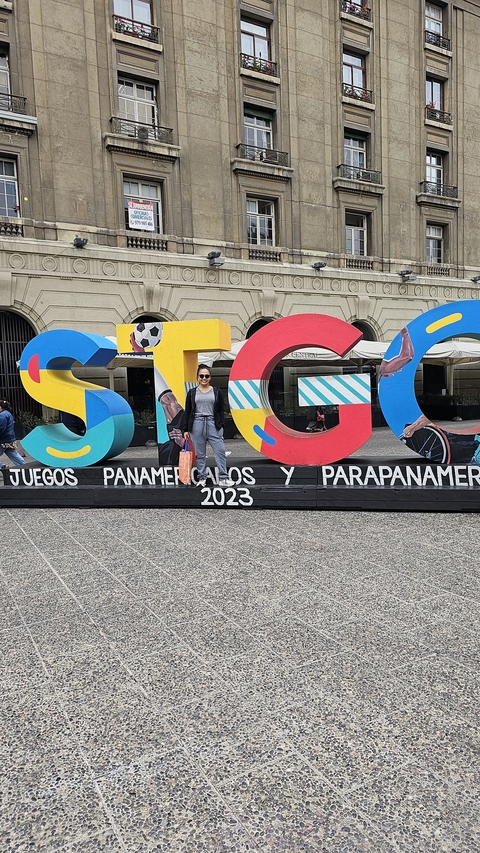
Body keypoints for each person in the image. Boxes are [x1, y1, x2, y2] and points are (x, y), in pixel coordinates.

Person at [182, 364, 234, 487]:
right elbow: (188, 411)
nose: (204, 378)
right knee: (200, 454)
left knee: (220, 451)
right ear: (197, 377)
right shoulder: (192, 393)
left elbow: (221, 409)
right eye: (201, 376)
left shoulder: (216, 391)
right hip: (197, 423)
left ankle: (223, 478)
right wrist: (185, 429)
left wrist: (221, 424)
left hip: (213, 422)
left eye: (206, 376)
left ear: (210, 377)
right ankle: (202, 478)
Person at [0, 400, 26, 467]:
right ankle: (25, 467)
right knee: (14, 455)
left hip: (3, 440)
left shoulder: (2, 415)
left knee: (13, 454)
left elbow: (1, 427)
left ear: (0, 407)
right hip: (9, 439)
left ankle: (2, 467)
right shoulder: (8, 414)